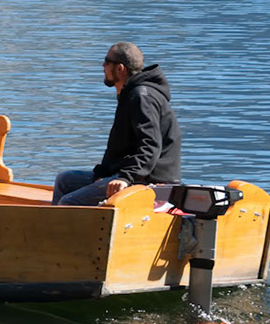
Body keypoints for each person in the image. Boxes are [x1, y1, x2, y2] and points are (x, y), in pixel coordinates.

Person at [53, 42, 181, 206]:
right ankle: (51, 229)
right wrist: (103, 171)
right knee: (65, 180)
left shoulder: (142, 96)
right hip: (131, 174)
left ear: (120, 68)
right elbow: (119, 146)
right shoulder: (128, 94)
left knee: (70, 201)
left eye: (107, 61)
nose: (103, 66)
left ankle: (64, 229)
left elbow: (150, 146)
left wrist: (126, 177)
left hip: (151, 181)